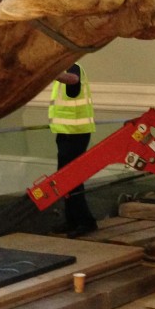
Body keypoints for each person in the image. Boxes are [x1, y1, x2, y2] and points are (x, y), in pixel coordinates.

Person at [49, 63, 97, 238]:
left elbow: (72, 79)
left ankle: (85, 221)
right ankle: (72, 220)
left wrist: (48, 70)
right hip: (65, 133)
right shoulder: (65, 70)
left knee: (73, 180)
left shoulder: (73, 67)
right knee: (65, 179)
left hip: (76, 133)